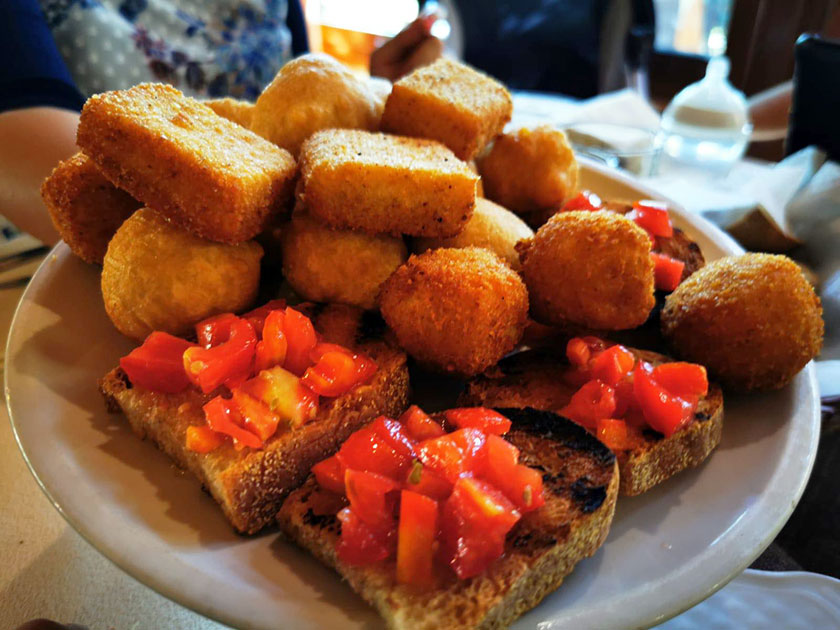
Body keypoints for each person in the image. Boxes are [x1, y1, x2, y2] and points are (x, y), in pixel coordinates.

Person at [0, 0, 441, 245]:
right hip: (38, 286)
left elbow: (286, 110)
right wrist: (238, 211)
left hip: (261, 250)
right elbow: (21, 146)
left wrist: (382, 97)